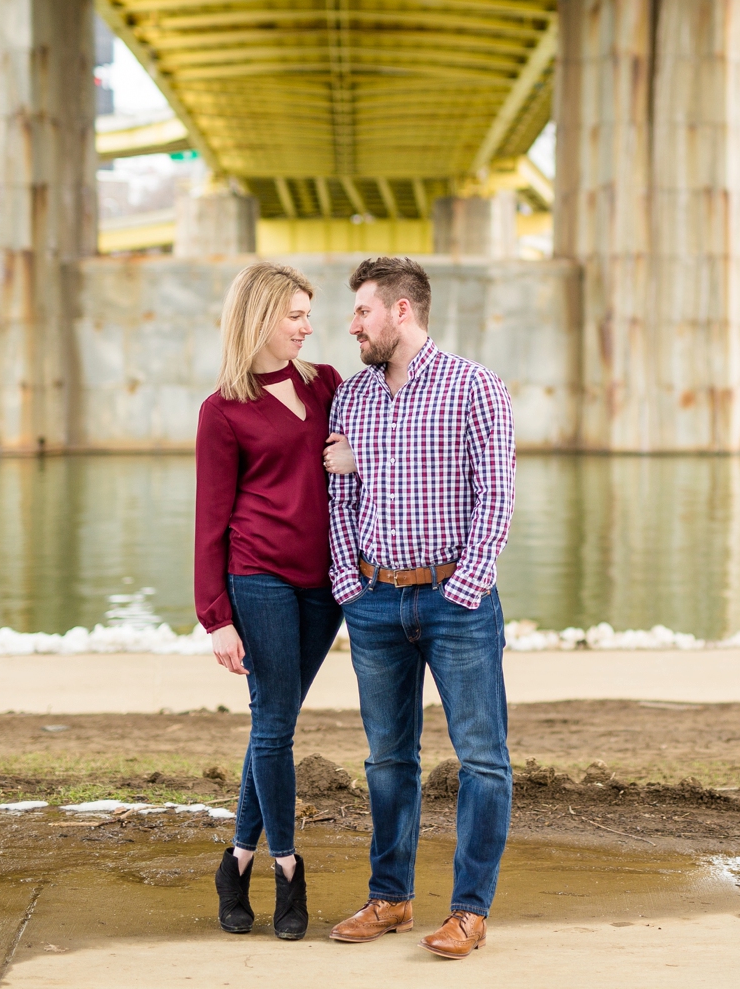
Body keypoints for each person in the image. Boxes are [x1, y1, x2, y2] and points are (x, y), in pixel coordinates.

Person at [323, 256, 516, 961]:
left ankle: (469, 911)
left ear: (401, 311)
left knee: (482, 759)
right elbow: (340, 498)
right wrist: (350, 584)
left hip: (456, 601)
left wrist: (464, 587)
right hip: (375, 602)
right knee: (386, 760)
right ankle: (391, 897)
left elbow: (496, 495)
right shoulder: (353, 399)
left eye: (363, 312)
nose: (353, 327)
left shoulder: (474, 387)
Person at [193, 262, 352, 940]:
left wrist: (354, 453)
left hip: (323, 585)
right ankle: (288, 868)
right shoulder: (222, 409)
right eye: (295, 315)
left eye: (308, 314)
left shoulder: (327, 384)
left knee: (272, 720)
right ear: (259, 317)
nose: (308, 327)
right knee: (277, 725)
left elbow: (366, 450)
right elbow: (210, 520)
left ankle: (235, 861)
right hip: (257, 576)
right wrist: (216, 617)